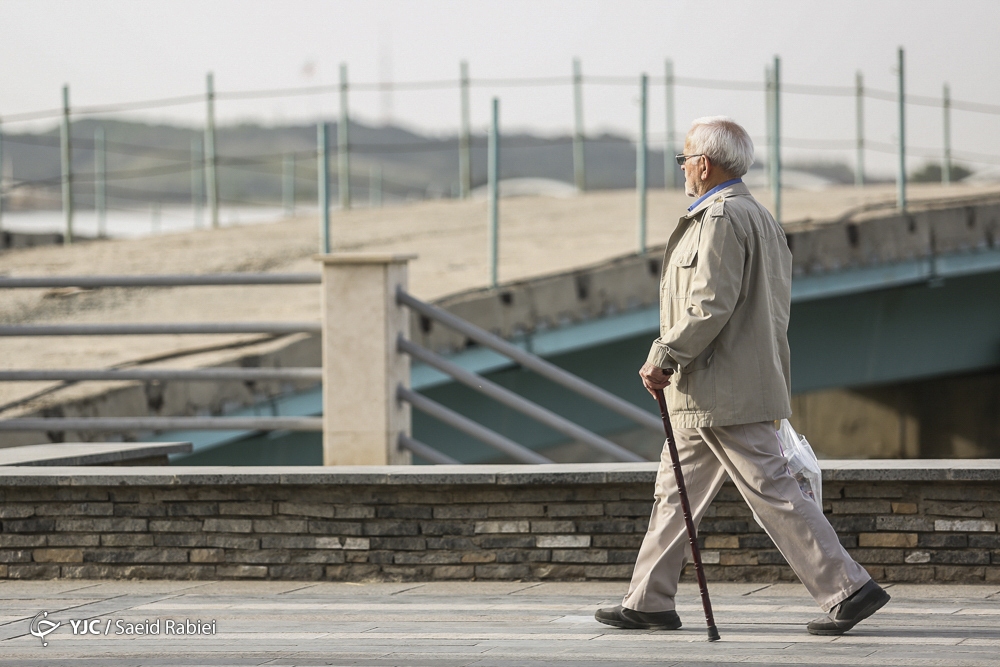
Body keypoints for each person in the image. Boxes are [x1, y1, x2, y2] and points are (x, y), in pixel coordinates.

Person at [595, 116, 889, 636]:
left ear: (703, 165)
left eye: (685, 160)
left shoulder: (721, 219)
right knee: (674, 492)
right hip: (713, 388)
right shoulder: (759, 217)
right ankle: (649, 599)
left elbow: (709, 304)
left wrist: (664, 353)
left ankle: (849, 588)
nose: (684, 169)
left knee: (772, 490)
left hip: (722, 387)